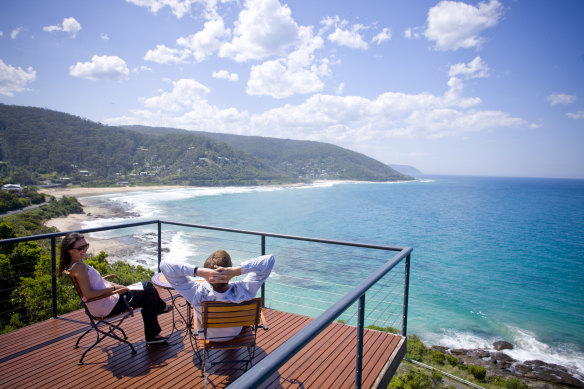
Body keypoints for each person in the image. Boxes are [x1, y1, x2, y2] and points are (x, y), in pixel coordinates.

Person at [59, 232, 172, 344]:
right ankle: (156, 321)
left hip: (105, 300)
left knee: (147, 290)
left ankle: (159, 311)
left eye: (86, 246)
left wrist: (115, 287)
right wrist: (113, 290)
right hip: (106, 305)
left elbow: (96, 282)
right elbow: (88, 294)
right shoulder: (79, 268)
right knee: (148, 289)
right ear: (69, 249)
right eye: (80, 248)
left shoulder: (73, 265)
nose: (84, 250)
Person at [160, 250, 275, 340]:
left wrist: (198, 272)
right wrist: (237, 271)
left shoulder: (197, 294)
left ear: (207, 275)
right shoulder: (244, 290)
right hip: (235, 333)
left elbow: (164, 265)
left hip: (207, 335)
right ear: (229, 270)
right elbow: (269, 260)